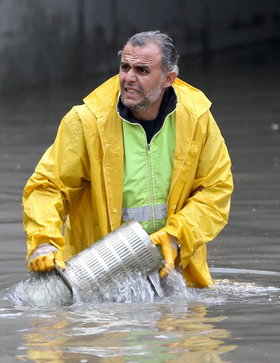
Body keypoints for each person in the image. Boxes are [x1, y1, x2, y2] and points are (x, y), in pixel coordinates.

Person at [22, 30, 233, 288]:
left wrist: (176, 237)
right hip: (96, 279)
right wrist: (44, 242)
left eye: (142, 70)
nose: (128, 78)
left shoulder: (197, 119)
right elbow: (47, 187)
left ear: (169, 78)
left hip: (176, 277)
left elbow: (216, 190)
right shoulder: (87, 121)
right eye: (125, 67)